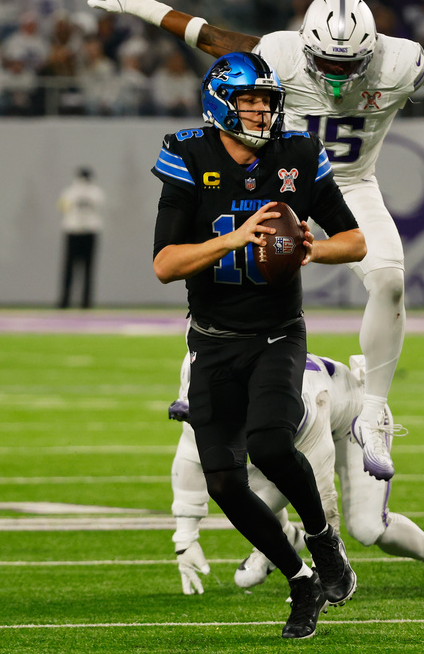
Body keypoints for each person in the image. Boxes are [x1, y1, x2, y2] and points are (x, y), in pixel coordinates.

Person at [82, 0, 424, 482]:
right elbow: (213, 40)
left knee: (389, 279)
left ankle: (374, 411)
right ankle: (194, 373)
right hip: (283, 179)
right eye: (327, 64)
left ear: (372, 51)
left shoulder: (396, 62)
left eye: (347, 65)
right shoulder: (281, 54)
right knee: (226, 258)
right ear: (306, 46)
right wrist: (145, 5)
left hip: (352, 183)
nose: (336, 77)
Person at [151, 51, 365, 639]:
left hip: (276, 334)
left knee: (271, 442)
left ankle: (324, 544)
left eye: (268, 101)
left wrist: (308, 249)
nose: (262, 111)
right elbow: (166, 265)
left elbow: (355, 240)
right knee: (223, 481)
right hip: (212, 341)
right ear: (221, 102)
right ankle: (300, 581)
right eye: (250, 101)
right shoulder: (190, 153)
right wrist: (237, 239)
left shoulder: (296, 154)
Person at [168, 350, 424, 598]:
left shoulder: (293, 402)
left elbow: (318, 488)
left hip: (353, 416)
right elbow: (189, 459)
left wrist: (328, 564)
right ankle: (283, 540)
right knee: (237, 491)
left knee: (368, 527)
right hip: (294, 428)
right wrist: (185, 540)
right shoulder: (212, 393)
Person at [57, 166, 104, 308]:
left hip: (79, 231)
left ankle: (69, 302)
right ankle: (82, 302)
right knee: (83, 269)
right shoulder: (95, 192)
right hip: (82, 231)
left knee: (73, 269)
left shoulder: (70, 192)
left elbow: (62, 207)